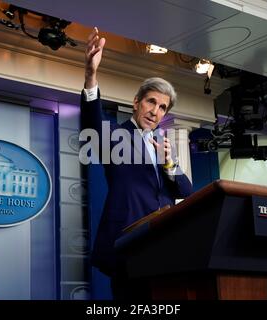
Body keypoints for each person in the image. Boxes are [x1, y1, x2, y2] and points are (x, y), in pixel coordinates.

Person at [81, 27, 193, 300]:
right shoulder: (116, 137)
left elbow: (186, 193)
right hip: (128, 247)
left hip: (163, 248)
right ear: (136, 103)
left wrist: (169, 164)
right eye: (151, 102)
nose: (155, 111)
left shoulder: (162, 145)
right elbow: (92, 125)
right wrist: (90, 75)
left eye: (162, 107)